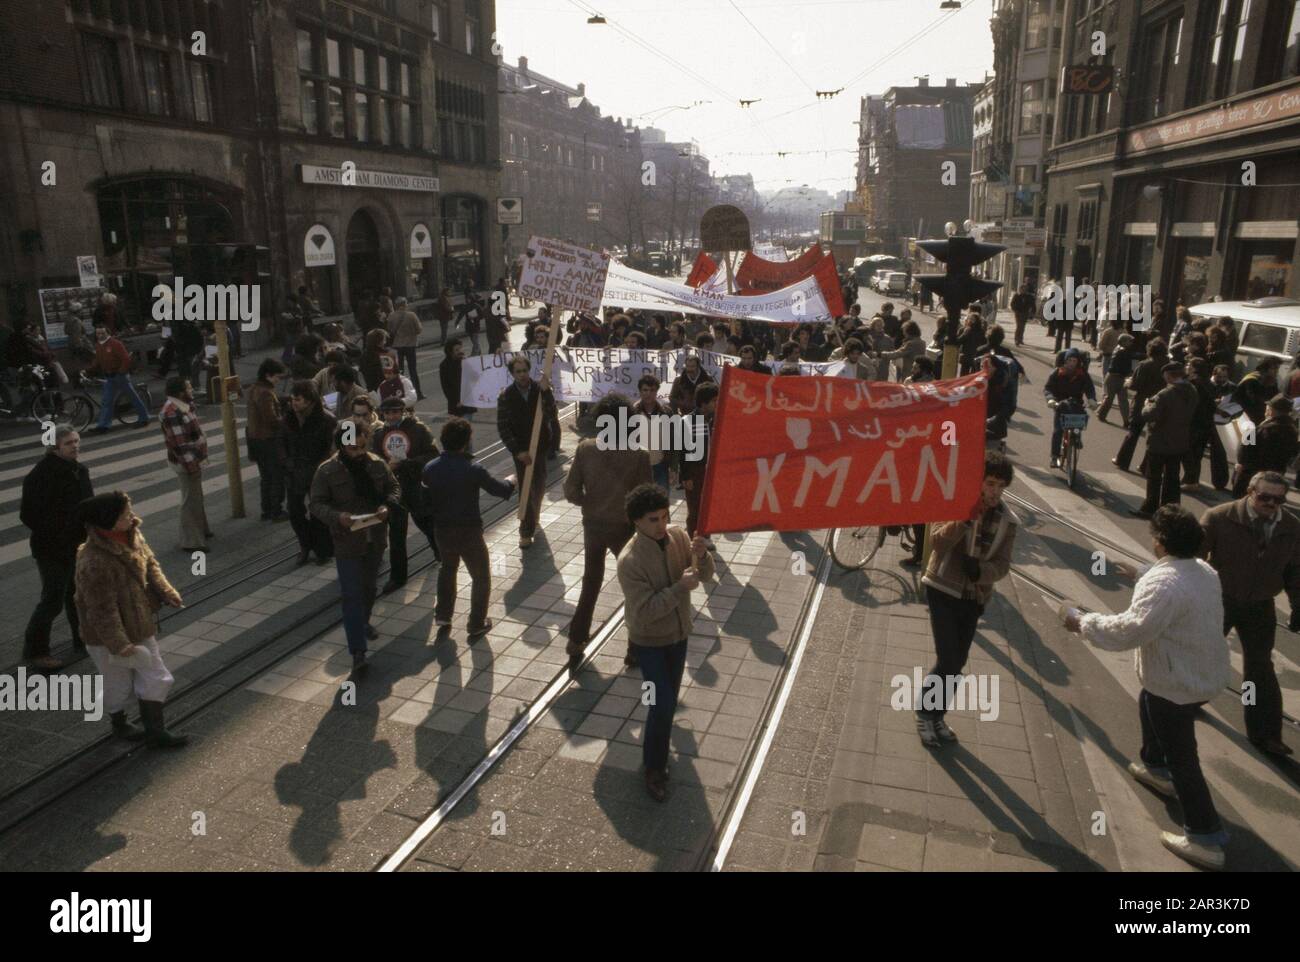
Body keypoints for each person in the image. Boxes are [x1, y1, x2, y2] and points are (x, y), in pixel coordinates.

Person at [1064, 506, 1232, 870]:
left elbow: (1130, 630)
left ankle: (1205, 837)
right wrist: (1140, 573)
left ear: (1161, 542)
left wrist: (1081, 621)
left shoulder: (1164, 584)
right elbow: (1175, 588)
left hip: (1176, 683)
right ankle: (1156, 767)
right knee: (1148, 702)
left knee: (1184, 759)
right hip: (1202, 675)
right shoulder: (1203, 570)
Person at [616, 483, 715, 802]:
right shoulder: (629, 560)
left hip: (679, 635)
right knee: (660, 704)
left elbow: (705, 575)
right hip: (648, 643)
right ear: (636, 522)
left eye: (664, 517)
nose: (661, 526)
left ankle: (658, 750)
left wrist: (703, 555)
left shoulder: (679, 537)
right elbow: (645, 612)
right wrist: (679, 588)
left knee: (668, 700)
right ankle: (654, 768)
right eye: (652, 520)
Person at [916, 454, 1018, 747]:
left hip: (974, 596)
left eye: (1000, 485)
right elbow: (936, 543)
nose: (994, 491)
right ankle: (925, 712)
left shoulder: (1008, 521)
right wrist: (962, 519)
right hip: (942, 589)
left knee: (958, 661)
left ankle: (937, 715)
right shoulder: (954, 502)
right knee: (947, 658)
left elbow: (1003, 564)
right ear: (978, 481)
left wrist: (982, 572)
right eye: (989, 483)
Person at [74, 491, 187, 747]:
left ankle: (155, 731)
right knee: (118, 684)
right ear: (109, 521)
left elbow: (151, 565)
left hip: (138, 623)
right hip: (105, 638)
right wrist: (119, 644)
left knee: (157, 676)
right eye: (126, 514)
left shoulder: (132, 534)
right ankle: (120, 722)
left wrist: (166, 592)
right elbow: (101, 610)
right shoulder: (93, 561)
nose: (133, 517)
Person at [1199, 471, 1299, 758]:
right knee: (1203, 653)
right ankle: (1188, 699)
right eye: (1264, 497)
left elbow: (1296, 572)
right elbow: (1190, 559)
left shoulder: (1292, 527)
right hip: (1220, 598)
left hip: (1260, 604)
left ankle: (1266, 734)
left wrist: (1298, 605)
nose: (1271, 503)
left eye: (1278, 499)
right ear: (1250, 492)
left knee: (1260, 669)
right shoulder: (1219, 517)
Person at [563, 393, 652, 669]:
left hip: (593, 525)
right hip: (624, 528)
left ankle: (576, 639)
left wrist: (588, 502)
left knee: (591, 582)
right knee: (634, 587)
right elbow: (646, 497)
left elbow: (570, 490)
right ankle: (635, 648)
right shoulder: (638, 455)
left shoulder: (586, 449)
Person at [310, 417, 400, 673]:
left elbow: (393, 487)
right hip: (347, 541)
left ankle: (363, 622)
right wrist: (337, 517)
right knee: (351, 595)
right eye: (353, 449)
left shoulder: (377, 464)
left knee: (369, 589)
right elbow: (315, 504)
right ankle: (358, 652)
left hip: (375, 539)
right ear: (342, 446)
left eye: (362, 447)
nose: (359, 453)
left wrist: (387, 505)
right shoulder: (327, 471)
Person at [422, 416, 517, 636]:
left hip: (442, 530)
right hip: (469, 531)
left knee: (447, 569)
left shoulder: (430, 468)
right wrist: (512, 480)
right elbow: (499, 490)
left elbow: (424, 501)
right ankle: (476, 623)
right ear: (466, 441)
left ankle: (443, 616)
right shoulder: (473, 469)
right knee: (481, 576)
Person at [21, 427, 94, 670]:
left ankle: (81, 639)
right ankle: (36, 651)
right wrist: (59, 532)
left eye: (76, 441)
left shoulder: (79, 470)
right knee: (52, 600)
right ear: (55, 448)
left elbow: (88, 506)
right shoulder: (41, 474)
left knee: (77, 595)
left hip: (76, 544)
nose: (75, 446)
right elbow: (28, 514)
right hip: (51, 549)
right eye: (68, 443)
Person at [374, 396, 441, 592]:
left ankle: (440, 550)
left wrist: (407, 463)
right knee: (396, 534)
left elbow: (433, 455)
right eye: (388, 412)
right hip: (394, 489)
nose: (392, 416)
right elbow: (372, 459)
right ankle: (397, 576)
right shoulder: (371, 432)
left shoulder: (418, 429)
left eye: (396, 411)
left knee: (426, 522)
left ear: (403, 411)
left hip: (416, 486)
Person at [496, 356, 557, 549]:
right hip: (521, 450)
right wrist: (517, 451)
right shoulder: (506, 395)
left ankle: (534, 514)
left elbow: (551, 414)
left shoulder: (540, 390)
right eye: (518, 372)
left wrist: (547, 393)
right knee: (526, 488)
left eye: (524, 371)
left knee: (538, 485)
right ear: (512, 374)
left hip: (540, 446)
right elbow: (503, 427)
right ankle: (526, 530)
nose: (522, 375)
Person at [1132, 362, 1198, 518]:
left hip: (1160, 440)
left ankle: (1150, 508)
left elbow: (1149, 415)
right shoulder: (1192, 391)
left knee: (1154, 477)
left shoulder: (1165, 394)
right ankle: (1170, 509)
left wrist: (1147, 405)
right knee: (1172, 477)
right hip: (1180, 439)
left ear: (1168, 375)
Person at [282, 381, 336, 565]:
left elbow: (332, 449)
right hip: (294, 473)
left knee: (318, 513)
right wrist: (287, 463)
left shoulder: (326, 420)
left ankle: (323, 550)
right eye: (292, 399)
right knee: (294, 511)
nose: (293, 403)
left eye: (297, 400)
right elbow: (281, 445)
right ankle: (305, 544)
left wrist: (321, 468)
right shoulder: (288, 419)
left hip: (317, 473)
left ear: (310, 401)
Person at [159, 377, 211, 552]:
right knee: (190, 499)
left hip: (192, 458)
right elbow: (179, 445)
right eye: (189, 388)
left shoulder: (182, 405)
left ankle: (202, 530)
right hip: (187, 462)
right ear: (180, 392)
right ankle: (191, 541)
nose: (192, 390)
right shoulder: (172, 412)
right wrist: (192, 466)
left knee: (196, 496)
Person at [1114, 338, 1170, 473]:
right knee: (1154, 436)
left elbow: (1135, 384)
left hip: (1142, 401)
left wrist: (1128, 383)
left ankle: (1123, 460)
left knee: (1133, 432)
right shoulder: (1169, 365)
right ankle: (1146, 466)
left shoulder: (1144, 364)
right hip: (1161, 402)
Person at [86, 323, 151, 433]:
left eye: (103, 333)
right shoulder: (98, 345)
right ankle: (103, 426)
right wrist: (88, 370)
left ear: (108, 333)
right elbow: (97, 360)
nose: (100, 335)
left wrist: (121, 371)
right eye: (98, 333)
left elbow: (126, 359)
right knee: (107, 401)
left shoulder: (115, 344)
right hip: (109, 376)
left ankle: (144, 418)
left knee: (133, 397)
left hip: (119, 375)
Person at [246, 358, 288, 522]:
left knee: (266, 477)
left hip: (255, 439)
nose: (278, 380)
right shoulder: (265, 393)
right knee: (276, 476)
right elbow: (271, 419)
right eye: (277, 377)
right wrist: (285, 420)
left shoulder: (254, 388)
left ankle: (267, 510)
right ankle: (276, 510)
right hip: (268, 439)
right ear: (268, 375)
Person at [1232, 395, 1299, 498]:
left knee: (1246, 501)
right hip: (1276, 474)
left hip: (1252, 473)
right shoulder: (1292, 430)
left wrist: (1247, 431)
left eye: (1268, 407)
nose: (1266, 409)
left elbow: (1247, 448)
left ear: (1272, 410)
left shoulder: (1267, 428)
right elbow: (1293, 452)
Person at [1044, 349, 1097, 469]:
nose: (1072, 363)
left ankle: (1076, 437)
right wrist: (1050, 399)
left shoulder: (1082, 374)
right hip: (1060, 405)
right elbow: (1048, 388)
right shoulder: (1057, 373)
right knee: (1058, 431)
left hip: (1076, 404)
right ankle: (1054, 456)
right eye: (1069, 360)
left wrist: (1091, 399)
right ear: (1065, 361)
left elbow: (1090, 388)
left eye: (1074, 361)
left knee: (1080, 421)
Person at [680, 381, 718, 541]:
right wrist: (686, 477)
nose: (718, 404)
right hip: (695, 471)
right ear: (703, 403)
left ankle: (705, 538)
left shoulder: (716, 420)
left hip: (711, 471)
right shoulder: (688, 422)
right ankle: (693, 540)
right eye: (715, 401)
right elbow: (682, 452)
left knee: (708, 507)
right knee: (695, 509)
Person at [1181, 357, 1219, 492]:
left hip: (1194, 422)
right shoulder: (1209, 383)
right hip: (1206, 422)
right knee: (1197, 453)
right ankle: (1192, 479)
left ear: (1193, 368)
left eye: (1188, 365)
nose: (1186, 366)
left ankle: (1191, 480)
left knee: (1187, 452)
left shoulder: (1193, 383)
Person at [386, 297, 425, 399]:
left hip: (397, 346)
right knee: (413, 370)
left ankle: (400, 392)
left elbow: (389, 330)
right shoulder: (411, 315)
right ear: (404, 304)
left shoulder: (391, 316)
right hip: (410, 345)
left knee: (399, 371)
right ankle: (418, 393)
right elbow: (419, 330)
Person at [1097, 332, 1136, 426]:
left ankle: (1125, 421)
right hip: (1114, 378)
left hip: (1116, 377)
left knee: (1119, 399)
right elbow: (1130, 360)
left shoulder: (1119, 349)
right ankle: (1102, 414)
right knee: (1115, 399)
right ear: (1123, 342)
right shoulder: (1122, 351)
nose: (1131, 343)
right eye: (1129, 341)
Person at [1232, 358, 1281, 426]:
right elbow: (1252, 403)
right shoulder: (1251, 380)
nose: (1277, 371)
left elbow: (1275, 397)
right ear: (1265, 369)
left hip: (1262, 413)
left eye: (1278, 368)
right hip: (1244, 415)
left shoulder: (1272, 380)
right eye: (1274, 368)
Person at [440, 337, 475, 417]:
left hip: (468, 402)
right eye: (457, 350)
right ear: (450, 352)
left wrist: (468, 363)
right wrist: (456, 401)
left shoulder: (464, 362)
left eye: (460, 349)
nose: (460, 351)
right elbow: (446, 387)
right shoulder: (444, 366)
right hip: (456, 405)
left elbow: (474, 377)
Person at [359, 328, 396, 392]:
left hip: (372, 389)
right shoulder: (385, 356)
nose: (385, 342)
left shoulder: (364, 355)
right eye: (384, 339)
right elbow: (390, 376)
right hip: (386, 389)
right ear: (380, 341)